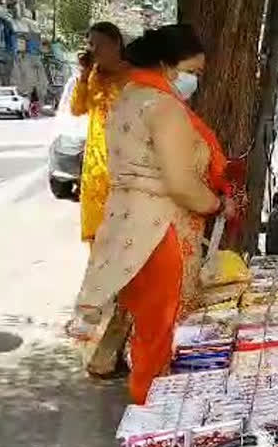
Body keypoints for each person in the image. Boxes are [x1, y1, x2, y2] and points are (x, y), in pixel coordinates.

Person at [70, 24, 234, 404]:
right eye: (192, 71)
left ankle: (147, 422)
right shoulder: (164, 107)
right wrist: (216, 204)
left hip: (128, 227)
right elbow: (180, 183)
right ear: (166, 65)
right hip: (162, 233)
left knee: (147, 333)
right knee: (162, 337)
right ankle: (154, 430)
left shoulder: (127, 97)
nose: (195, 80)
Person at [71, 22, 130, 244]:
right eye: (90, 44)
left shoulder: (131, 75)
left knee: (122, 239)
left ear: (116, 43)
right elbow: (77, 109)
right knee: (97, 239)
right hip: (94, 171)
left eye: (99, 44)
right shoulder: (93, 75)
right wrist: (84, 75)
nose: (93, 50)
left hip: (123, 166)